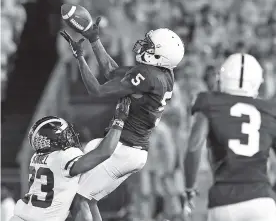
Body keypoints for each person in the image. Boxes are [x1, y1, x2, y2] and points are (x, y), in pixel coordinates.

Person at [60, 16, 185, 221]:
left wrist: (80, 58)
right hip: (133, 149)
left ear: (160, 55)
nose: (144, 46)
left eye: (150, 46)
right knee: (88, 198)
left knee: (78, 197)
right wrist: (94, 40)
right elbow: (112, 72)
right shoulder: (163, 75)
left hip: (123, 148)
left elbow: (97, 90)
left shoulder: (147, 75)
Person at [184, 53, 276, 221]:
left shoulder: (209, 101)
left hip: (225, 200)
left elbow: (194, 146)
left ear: (222, 78)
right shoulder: (269, 110)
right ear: (257, 81)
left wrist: (189, 187)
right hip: (263, 200)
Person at [9, 97, 131, 221]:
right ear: (54, 140)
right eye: (65, 134)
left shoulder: (36, 157)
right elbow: (104, 152)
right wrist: (119, 121)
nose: (70, 137)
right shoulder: (64, 157)